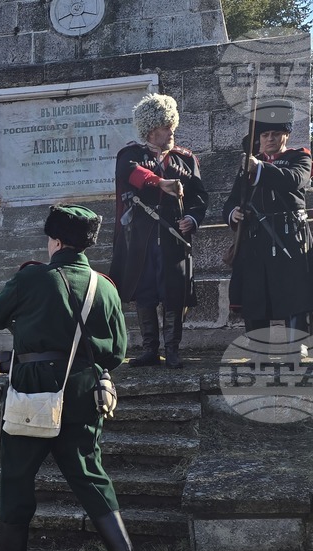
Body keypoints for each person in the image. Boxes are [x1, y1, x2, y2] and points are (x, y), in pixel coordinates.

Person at [0, 205, 141, 551]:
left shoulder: (33, 277)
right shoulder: (105, 287)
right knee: (90, 476)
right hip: (85, 389)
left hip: (34, 388)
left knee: (16, 479)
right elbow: (116, 351)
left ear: (56, 240)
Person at [110, 93, 208, 368]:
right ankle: (150, 349)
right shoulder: (131, 155)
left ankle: (173, 350)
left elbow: (199, 198)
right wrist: (159, 182)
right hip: (141, 239)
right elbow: (128, 173)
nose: (171, 131)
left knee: (174, 292)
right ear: (152, 130)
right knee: (145, 292)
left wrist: (191, 218)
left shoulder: (186, 159)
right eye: (166, 126)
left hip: (174, 237)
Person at [223, 100, 313, 336]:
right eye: (265, 134)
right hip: (256, 239)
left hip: (289, 235)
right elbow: (232, 201)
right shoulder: (248, 165)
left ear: (286, 134)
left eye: (275, 133)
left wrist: (259, 169)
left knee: (294, 292)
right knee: (256, 296)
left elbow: (294, 179)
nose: (269, 139)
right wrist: (234, 214)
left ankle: (296, 345)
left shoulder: (299, 157)